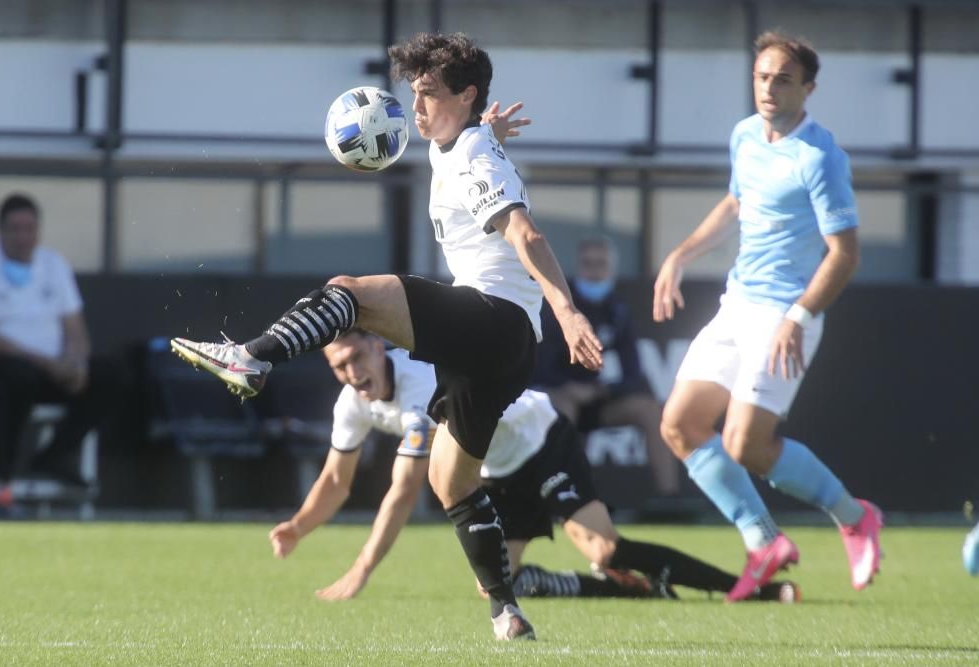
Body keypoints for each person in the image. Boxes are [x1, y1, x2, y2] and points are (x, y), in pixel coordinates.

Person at [169, 32, 602, 640]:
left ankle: (251, 356)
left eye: (427, 95)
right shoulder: (462, 145)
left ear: (467, 95)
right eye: (413, 95)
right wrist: (488, 134)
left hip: (493, 319)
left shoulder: (473, 153)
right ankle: (507, 612)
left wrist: (567, 308)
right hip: (504, 353)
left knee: (352, 291)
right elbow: (477, 158)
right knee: (449, 481)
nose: (415, 109)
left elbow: (526, 235)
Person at [268, 329, 797, 605]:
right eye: (340, 367)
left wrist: (361, 570)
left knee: (603, 545)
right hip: (497, 470)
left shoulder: (417, 387)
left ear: (377, 346)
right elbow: (337, 480)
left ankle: (750, 588)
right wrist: (299, 525)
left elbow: (404, 490)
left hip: (540, 438)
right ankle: (622, 587)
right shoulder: (353, 403)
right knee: (498, 584)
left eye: (358, 358)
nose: (353, 373)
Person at [652, 30, 883, 602]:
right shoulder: (744, 137)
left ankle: (855, 517)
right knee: (679, 425)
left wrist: (799, 316)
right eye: (761, 76)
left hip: (787, 313)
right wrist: (680, 254)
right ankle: (763, 541)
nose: (769, 87)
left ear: (808, 87)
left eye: (783, 78)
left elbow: (845, 253)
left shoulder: (820, 157)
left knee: (746, 446)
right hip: (738, 304)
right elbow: (737, 203)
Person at [0, 193, 117, 493]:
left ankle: (53, 456)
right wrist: (48, 365)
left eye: (29, 229)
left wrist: (77, 363)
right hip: (11, 368)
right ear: (0, 230)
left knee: (110, 375)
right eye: (14, 229)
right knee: (8, 381)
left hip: (56, 370)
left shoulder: (54, 264)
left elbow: (74, 326)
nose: (22, 237)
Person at [534, 235, 681, 498]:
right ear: (578, 266)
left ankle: (668, 498)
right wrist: (568, 388)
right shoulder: (558, 308)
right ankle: (562, 495)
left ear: (611, 267)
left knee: (649, 410)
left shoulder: (616, 310)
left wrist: (602, 390)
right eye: (588, 264)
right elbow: (537, 366)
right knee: (564, 409)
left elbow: (633, 372)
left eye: (601, 263)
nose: (594, 270)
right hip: (556, 395)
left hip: (596, 397)